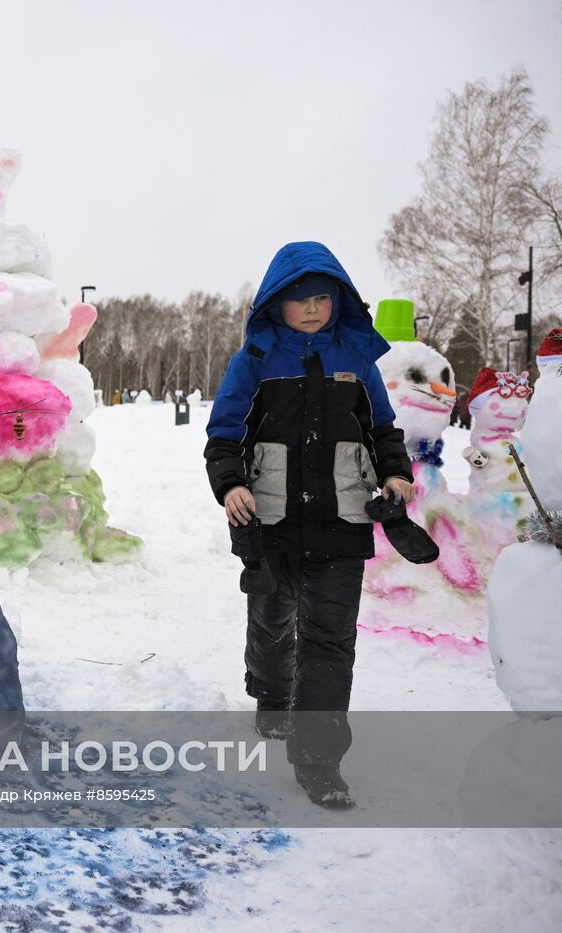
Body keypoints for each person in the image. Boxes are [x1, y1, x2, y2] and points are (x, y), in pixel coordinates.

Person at [204, 242, 413, 810]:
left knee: (330, 639)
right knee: (272, 618)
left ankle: (319, 760)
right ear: (277, 305)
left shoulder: (358, 360)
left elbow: (384, 432)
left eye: (323, 298)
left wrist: (396, 477)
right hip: (270, 520)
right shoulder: (256, 358)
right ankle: (271, 694)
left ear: (338, 300)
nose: (314, 308)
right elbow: (223, 435)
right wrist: (232, 485)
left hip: (342, 520)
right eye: (301, 300)